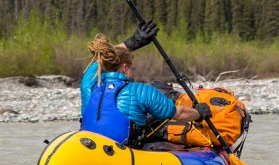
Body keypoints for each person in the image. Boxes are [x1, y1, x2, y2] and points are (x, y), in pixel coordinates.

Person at [79, 22, 212, 146]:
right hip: (125, 152)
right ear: (125, 69)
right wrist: (199, 113)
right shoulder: (140, 91)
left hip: (91, 148)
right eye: (133, 68)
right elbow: (179, 113)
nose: (134, 72)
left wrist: (132, 43)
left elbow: (101, 58)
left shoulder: (89, 86)